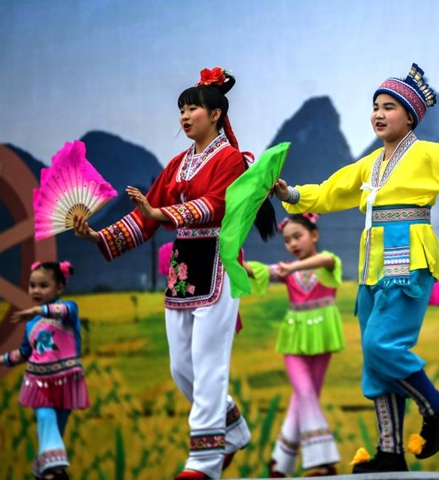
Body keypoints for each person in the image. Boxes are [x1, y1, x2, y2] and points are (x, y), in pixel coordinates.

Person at [272, 63, 439, 473]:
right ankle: (390, 450)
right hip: (371, 267)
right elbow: (328, 191)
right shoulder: (369, 164)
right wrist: (291, 192)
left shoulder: (427, 154)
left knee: (383, 347)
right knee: (374, 360)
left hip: (408, 260)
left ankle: (438, 409)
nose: (378, 113)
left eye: (389, 106)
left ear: (410, 115)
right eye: (375, 106)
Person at [73, 67, 255, 480]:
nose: (185, 116)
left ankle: (205, 462)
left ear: (215, 115)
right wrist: (98, 236)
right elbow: (146, 219)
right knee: (181, 368)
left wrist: (164, 212)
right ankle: (234, 428)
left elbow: (218, 204)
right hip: (184, 267)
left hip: (219, 262)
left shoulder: (232, 159)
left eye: (192, 108)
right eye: (181, 110)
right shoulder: (177, 164)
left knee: (209, 364)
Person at [244, 213, 344, 477]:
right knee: (305, 393)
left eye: (298, 236)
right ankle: (320, 461)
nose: (293, 244)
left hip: (323, 335)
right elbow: (260, 270)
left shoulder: (327, 263)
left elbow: (326, 259)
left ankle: (280, 461)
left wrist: (291, 268)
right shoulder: (286, 270)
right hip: (293, 338)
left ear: (314, 235)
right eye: (287, 240)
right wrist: (232, 259)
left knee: (304, 396)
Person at [2, 261, 89, 480]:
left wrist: (37, 310)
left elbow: (61, 310)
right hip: (39, 383)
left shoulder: (69, 310)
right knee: (45, 418)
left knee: (54, 432)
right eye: (32, 285)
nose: (36, 290)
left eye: (43, 285)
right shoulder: (32, 324)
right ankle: (55, 472)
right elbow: (23, 353)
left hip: (66, 382)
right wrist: (1, 359)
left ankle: (48, 473)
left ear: (59, 288)